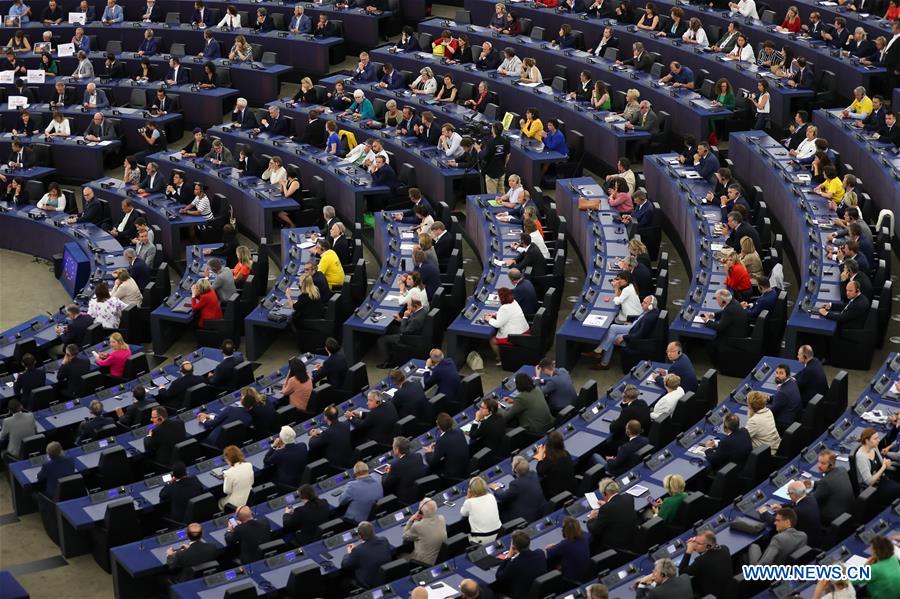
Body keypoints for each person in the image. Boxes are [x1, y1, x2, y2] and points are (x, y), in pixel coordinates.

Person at [587, 478, 638, 550]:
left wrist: (591, 518)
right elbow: (617, 507)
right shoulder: (628, 497)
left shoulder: (606, 509)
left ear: (605, 493)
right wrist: (607, 504)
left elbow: (594, 530)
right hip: (633, 537)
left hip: (617, 545)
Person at [494, 530, 548, 598]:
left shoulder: (515, 563)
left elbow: (499, 577)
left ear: (514, 547)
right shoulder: (540, 553)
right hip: (540, 593)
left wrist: (509, 556)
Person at [806, 449, 855, 523]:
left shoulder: (825, 482)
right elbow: (830, 483)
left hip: (832, 518)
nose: (819, 466)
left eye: (823, 463)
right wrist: (812, 483)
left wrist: (800, 491)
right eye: (819, 462)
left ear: (831, 465)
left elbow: (810, 500)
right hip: (848, 512)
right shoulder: (842, 469)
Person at [341, 521, 392, 589]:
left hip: (369, 584)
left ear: (360, 536)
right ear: (373, 531)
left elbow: (344, 565)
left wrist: (349, 553)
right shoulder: (384, 540)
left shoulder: (357, 551)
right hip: (386, 577)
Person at [494, 455, 545, 522]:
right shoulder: (534, 474)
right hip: (541, 511)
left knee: (500, 512)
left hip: (525, 517)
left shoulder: (515, 484)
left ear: (514, 471)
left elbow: (502, 497)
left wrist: (496, 488)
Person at [855, 428, 900, 501]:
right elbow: (869, 482)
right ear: (867, 440)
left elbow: (881, 461)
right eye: (875, 438)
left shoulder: (874, 447)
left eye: (878, 437)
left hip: (882, 479)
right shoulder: (861, 457)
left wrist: (886, 462)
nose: (879, 440)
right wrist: (884, 467)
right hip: (872, 488)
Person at [380, 436, 428, 504]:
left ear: (397, 450)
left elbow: (386, 484)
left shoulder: (396, 465)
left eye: (393, 447)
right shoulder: (418, 456)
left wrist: (387, 473)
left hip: (406, 497)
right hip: (419, 492)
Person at [401, 498, 447, 565]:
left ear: (421, 512)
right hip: (437, 558)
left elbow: (405, 536)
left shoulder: (417, 526)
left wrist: (411, 519)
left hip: (422, 562)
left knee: (399, 556)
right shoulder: (442, 518)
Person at [425, 412, 470, 479]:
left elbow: (432, 462)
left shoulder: (442, 441)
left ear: (438, 426)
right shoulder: (459, 431)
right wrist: (438, 445)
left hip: (453, 475)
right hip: (466, 469)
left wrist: (428, 452)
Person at [461, 476, 502, 544]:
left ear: (471, 490)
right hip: (499, 534)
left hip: (481, 539)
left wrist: (467, 497)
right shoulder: (491, 496)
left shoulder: (469, 502)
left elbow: (463, 513)